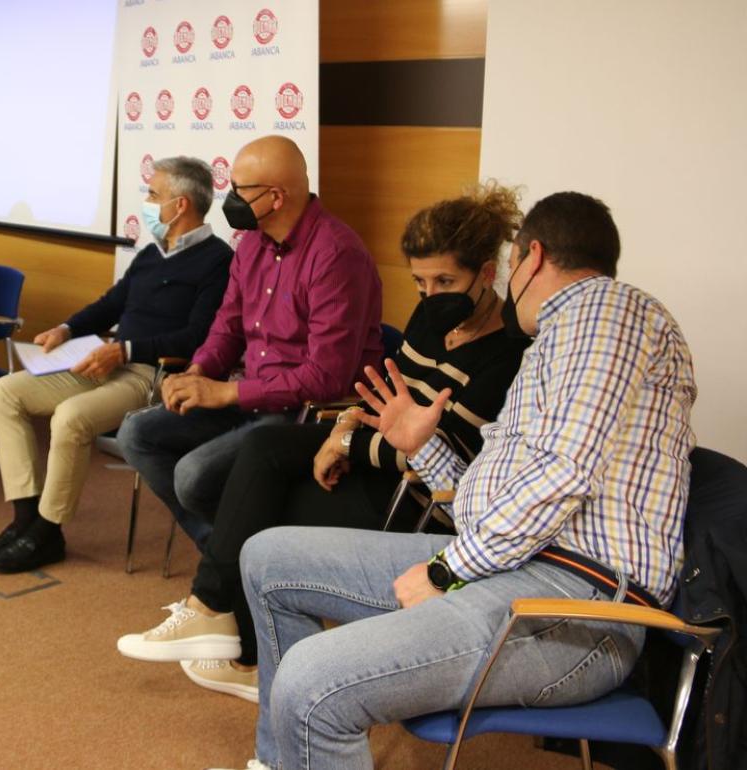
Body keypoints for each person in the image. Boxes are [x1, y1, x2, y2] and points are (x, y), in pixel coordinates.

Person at [213, 191, 697, 770]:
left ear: (531, 257)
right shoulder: (558, 343)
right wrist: (425, 447)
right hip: (520, 568)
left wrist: (449, 571)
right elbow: (497, 501)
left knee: (313, 681)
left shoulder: (601, 311)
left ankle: (305, 741)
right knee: (268, 558)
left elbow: (563, 475)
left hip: (575, 608)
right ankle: (286, 759)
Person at [117, 185, 532, 703]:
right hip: (376, 453)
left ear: (486, 274)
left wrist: (347, 446)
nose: (430, 295)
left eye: (445, 280)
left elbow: (437, 453)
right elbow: (382, 394)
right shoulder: (432, 315)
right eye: (421, 282)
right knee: (262, 449)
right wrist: (341, 431)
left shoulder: (509, 355)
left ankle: (245, 649)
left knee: (257, 519)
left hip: (415, 497)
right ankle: (214, 613)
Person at [116, 135, 383, 551]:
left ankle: (232, 558)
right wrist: (199, 371)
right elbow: (229, 323)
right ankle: (226, 551)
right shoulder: (251, 243)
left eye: (240, 190)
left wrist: (224, 392)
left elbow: (325, 377)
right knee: (136, 432)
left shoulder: (336, 254)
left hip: (304, 413)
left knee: (193, 476)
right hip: (247, 397)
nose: (231, 198)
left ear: (276, 197)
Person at [0, 156, 234, 574]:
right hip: (107, 363)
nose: (147, 202)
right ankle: (24, 520)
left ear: (181, 205)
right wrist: (65, 328)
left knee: (71, 417)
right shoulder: (152, 254)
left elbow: (199, 338)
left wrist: (126, 350)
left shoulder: (218, 261)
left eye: (154, 194)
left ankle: (47, 530)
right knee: (5, 392)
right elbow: (111, 303)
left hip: (156, 374)